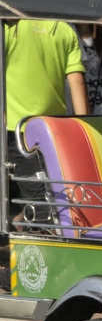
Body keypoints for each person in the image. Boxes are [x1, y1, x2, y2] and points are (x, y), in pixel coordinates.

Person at [4, 20, 87, 227]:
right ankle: (23, 226)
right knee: (56, 196)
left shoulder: (9, 27)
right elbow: (76, 81)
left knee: (41, 201)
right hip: (55, 131)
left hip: (19, 131)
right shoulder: (65, 28)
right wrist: (85, 130)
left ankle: (27, 231)